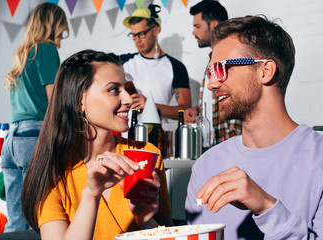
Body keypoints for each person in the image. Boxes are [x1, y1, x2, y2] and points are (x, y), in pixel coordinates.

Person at [185, 15, 323, 239]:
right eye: (210, 72)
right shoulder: (205, 167)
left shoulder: (319, 159)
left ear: (265, 71)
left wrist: (266, 207)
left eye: (221, 68)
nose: (212, 84)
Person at [21, 50, 173, 240]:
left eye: (125, 88)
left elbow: (173, 234)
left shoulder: (146, 154)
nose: (127, 99)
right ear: (79, 101)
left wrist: (146, 221)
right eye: (113, 90)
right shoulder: (53, 170)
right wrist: (92, 195)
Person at [1, 2, 69, 232]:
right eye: (61, 26)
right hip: (33, 136)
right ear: (53, 24)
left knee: (16, 221)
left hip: (12, 140)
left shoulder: (22, 53)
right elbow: (55, 100)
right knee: (39, 217)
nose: (63, 32)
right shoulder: (47, 50)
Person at [120, 4, 191, 131]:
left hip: (157, 137)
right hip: (124, 137)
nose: (137, 40)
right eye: (133, 35)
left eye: (141, 34)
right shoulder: (123, 62)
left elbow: (185, 110)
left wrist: (149, 105)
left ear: (155, 30)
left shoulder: (175, 67)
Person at [184, 0, 241, 145]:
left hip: (225, 149)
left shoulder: (230, 59)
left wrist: (225, 148)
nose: (193, 32)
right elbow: (217, 101)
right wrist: (198, 110)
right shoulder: (212, 58)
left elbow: (236, 106)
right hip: (211, 148)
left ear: (214, 25)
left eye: (197, 26)